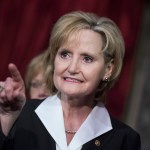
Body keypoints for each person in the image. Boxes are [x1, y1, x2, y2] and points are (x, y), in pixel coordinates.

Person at [0, 11, 141, 150]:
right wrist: (6, 119)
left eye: (87, 58)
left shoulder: (124, 139)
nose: (72, 68)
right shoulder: (20, 115)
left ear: (108, 69)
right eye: (65, 54)